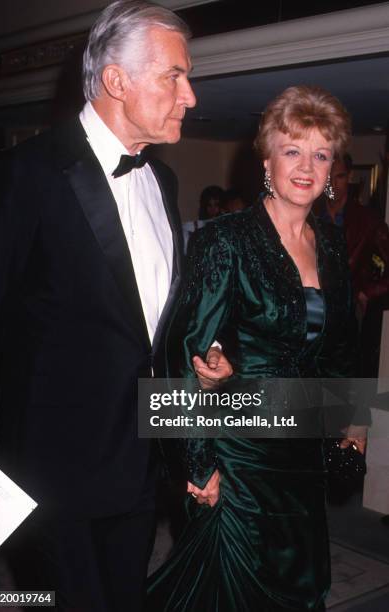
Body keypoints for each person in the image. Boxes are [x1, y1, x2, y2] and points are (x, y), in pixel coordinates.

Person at [0, 2, 232, 610]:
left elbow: (153, 335)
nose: (190, 95)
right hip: (47, 476)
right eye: (175, 75)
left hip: (141, 469)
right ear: (116, 81)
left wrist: (199, 400)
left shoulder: (165, 184)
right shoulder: (25, 174)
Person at [147, 86, 368, 611]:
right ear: (267, 159)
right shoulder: (227, 239)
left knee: (301, 580)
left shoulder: (330, 242)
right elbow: (179, 356)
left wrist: (354, 425)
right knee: (236, 588)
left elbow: (340, 347)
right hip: (238, 447)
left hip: (302, 449)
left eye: (321, 154)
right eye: (293, 150)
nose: (307, 166)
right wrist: (198, 464)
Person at [316, 154, 389, 376]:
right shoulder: (308, 214)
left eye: (338, 177)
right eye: (326, 177)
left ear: (349, 176)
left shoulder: (367, 220)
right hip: (309, 302)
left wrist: (365, 292)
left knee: (343, 376)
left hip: (348, 308)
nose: (331, 184)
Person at [182, 185, 225, 251]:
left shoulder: (226, 225)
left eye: (216, 204)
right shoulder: (195, 225)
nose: (213, 208)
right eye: (209, 205)